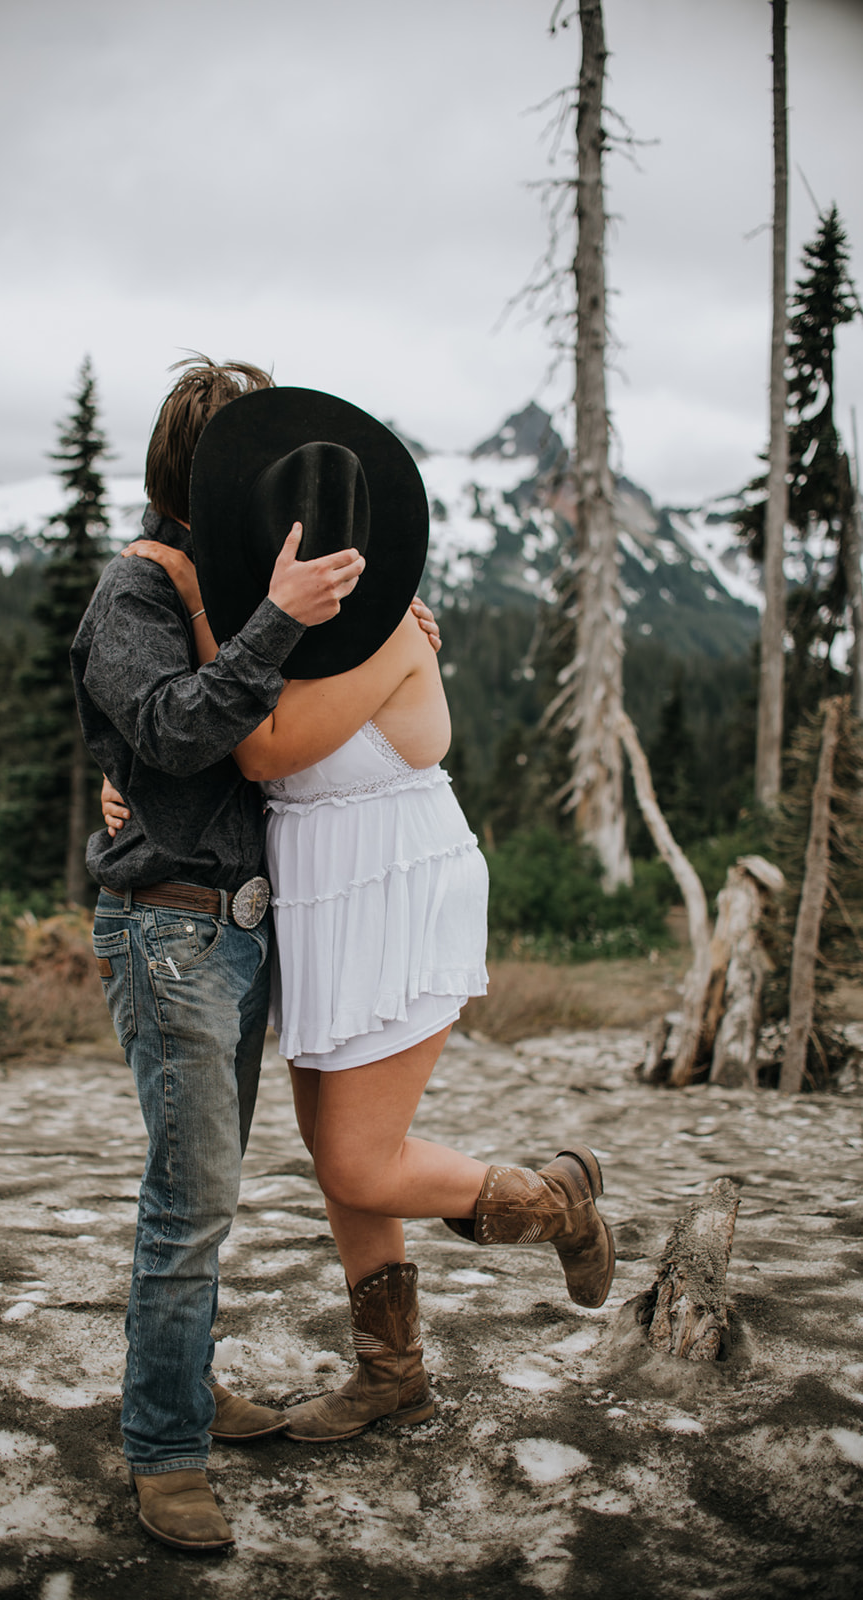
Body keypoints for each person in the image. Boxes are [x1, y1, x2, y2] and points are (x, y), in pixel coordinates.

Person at [112, 385, 615, 1453]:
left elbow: (261, 748)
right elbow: (198, 730)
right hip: (321, 883)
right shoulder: (273, 617)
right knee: (337, 1148)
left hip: (394, 881)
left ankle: (555, 1200)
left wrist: (190, 586)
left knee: (357, 1159)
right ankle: (393, 1372)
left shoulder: (384, 629)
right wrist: (128, 786)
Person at [71, 357, 442, 1555]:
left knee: (204, 1200)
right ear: (200, 480)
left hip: (238, 927)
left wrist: (380, 634)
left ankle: (180, 1395)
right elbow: (177, 731)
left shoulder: (231, 590)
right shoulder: (133, 593)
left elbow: (265, 752)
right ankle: (165, 1451)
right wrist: (281, 622)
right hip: (173, 931)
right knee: (189, 1205)